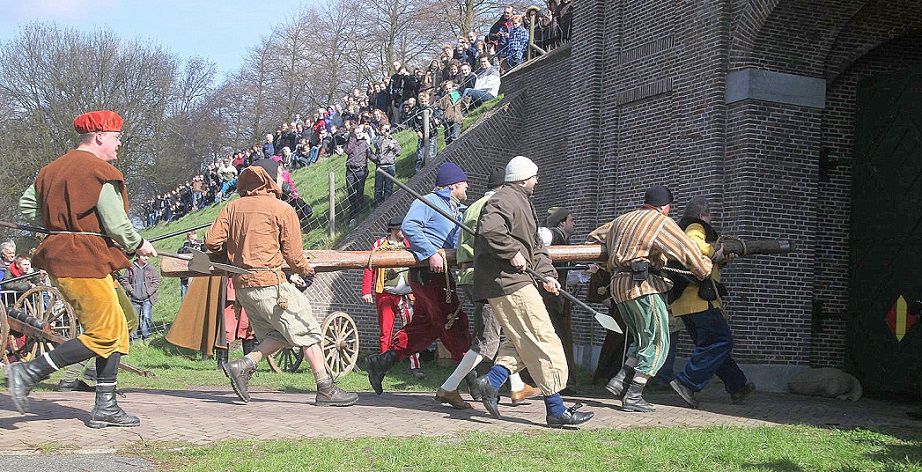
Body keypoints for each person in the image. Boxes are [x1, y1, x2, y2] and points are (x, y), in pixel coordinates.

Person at [10, 110, 158, 428]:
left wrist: (60, 226)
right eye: (116, 137)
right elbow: (117, 224)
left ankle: (106, 405)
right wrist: (139, 244)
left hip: (73, 257)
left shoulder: (50, 170)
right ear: (100, 136)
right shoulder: (100, 172)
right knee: (105, 333)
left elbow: (27, 206)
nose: (119, 144)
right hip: (82, 261)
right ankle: (29, 371)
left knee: (124, 321)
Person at [206, 159, 357, 407]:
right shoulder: (282, 209)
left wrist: (234, 253)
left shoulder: (232, 208)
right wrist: (306, 270)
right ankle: (326, 388)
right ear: (268, 178)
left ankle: (244, 365)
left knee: (280, 333)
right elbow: (294, 255)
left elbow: (211, 242)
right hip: (271, 286)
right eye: (279, 174)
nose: (283, 178)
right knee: (309, 330)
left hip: (243, 287)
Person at [469, 156, 591, 428]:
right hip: (508, 282)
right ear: (524, 178)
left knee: (523, 340)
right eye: (535, 177)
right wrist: (511, 252)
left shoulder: (523, 202)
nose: (537, 181)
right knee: (544, 338)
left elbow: (536, 248)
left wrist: (548, 276)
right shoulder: (503, 200)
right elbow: (490, 230)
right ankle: (556, 409)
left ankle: (492, 382)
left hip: (516, 281)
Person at [437, 166, 541, 410]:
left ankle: (517, 387)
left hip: (471, 275)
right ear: (505, 186)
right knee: (488, 341)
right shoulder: (497, 205)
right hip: (488, 279)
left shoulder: (474, 206)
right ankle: (449, 387)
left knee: (508, 332)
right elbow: (496, 239)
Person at [365, 163, 473, 396]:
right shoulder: (428, 202)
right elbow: (410, 226)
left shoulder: (455, 209)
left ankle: (382, 361)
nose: (467, 186)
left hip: (439, 274)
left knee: (425, 327)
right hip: (429, 275)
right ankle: (472, 379)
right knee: (453, 322)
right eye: (464, 182)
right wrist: (431, 253)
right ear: (453, 185)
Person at [602, 185, 713, 413]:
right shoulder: (660, 221)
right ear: (665, 207)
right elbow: (685, 249)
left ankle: (620, 380)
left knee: (642, 339)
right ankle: (634, 395)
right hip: (643, 287)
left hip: (619, 286)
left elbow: (594, 237)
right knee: (658, 342)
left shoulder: (621, 220)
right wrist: (704, 269)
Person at [667, 196, 755, 408]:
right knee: (721, 342)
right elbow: (695, 246)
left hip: (685, 303)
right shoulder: (695, 226)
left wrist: (720, 260)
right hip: (699, 300)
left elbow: (700, 261)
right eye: (710, 217)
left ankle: (738, 386)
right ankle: (686, 382)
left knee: (711, 347)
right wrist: (715, 251)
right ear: (702, 215)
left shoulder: (680, 229)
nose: (711, 221)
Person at [360, 215, 423, 379]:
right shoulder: (379, 245)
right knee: (385, 331)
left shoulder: (408, 245)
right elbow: (369, 267)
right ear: (395, 230)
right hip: (386, 294)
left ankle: (415, 366)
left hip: (406, 295)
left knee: (411, 329)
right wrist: (366, 291)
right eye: (403, 230)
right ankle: (383, 365)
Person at [538, 207, 578, 393]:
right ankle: (558, 381)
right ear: (561, 222)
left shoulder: (564, 239)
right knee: (555, 338)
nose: (574, 223)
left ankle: (561, 380)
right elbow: (537, 237)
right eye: (571, 220)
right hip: (549, 297)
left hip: (558, 297)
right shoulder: (553, 234)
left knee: (560, 338)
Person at [116, 254, 160, 342]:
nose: (146, 258)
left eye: (147, 256)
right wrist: (131, 291)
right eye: (144, 256)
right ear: (138, 257)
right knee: (135, 318)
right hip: (134, 299)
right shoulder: (131, 268)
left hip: (147, 299)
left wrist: (148, 292)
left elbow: (156, 281)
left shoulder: (151, 268)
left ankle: (146, 336)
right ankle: (134, 338)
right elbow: (125, 281)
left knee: (146, 317)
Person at [371, 124, 402, 206]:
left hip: (390, 165)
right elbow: (376, 145)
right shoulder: (378, 139)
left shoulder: (393, 140)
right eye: (384, 129)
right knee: (378, 187)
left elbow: (399, 152)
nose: (386, 131)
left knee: (389, 187)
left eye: (387, 129)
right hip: (380, 166)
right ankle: (377, 203)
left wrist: (393, 147)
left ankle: (387, 204)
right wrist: (382, 136)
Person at [177, 231, 203, 299]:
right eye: (192, 238)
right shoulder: (183, 249)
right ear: (188, 239)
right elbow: (183, 254)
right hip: (186, 278)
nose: (193, 240)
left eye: (195, 238)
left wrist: (200, 246)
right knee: (185, 299)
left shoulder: (200, 246)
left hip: (198, 278)